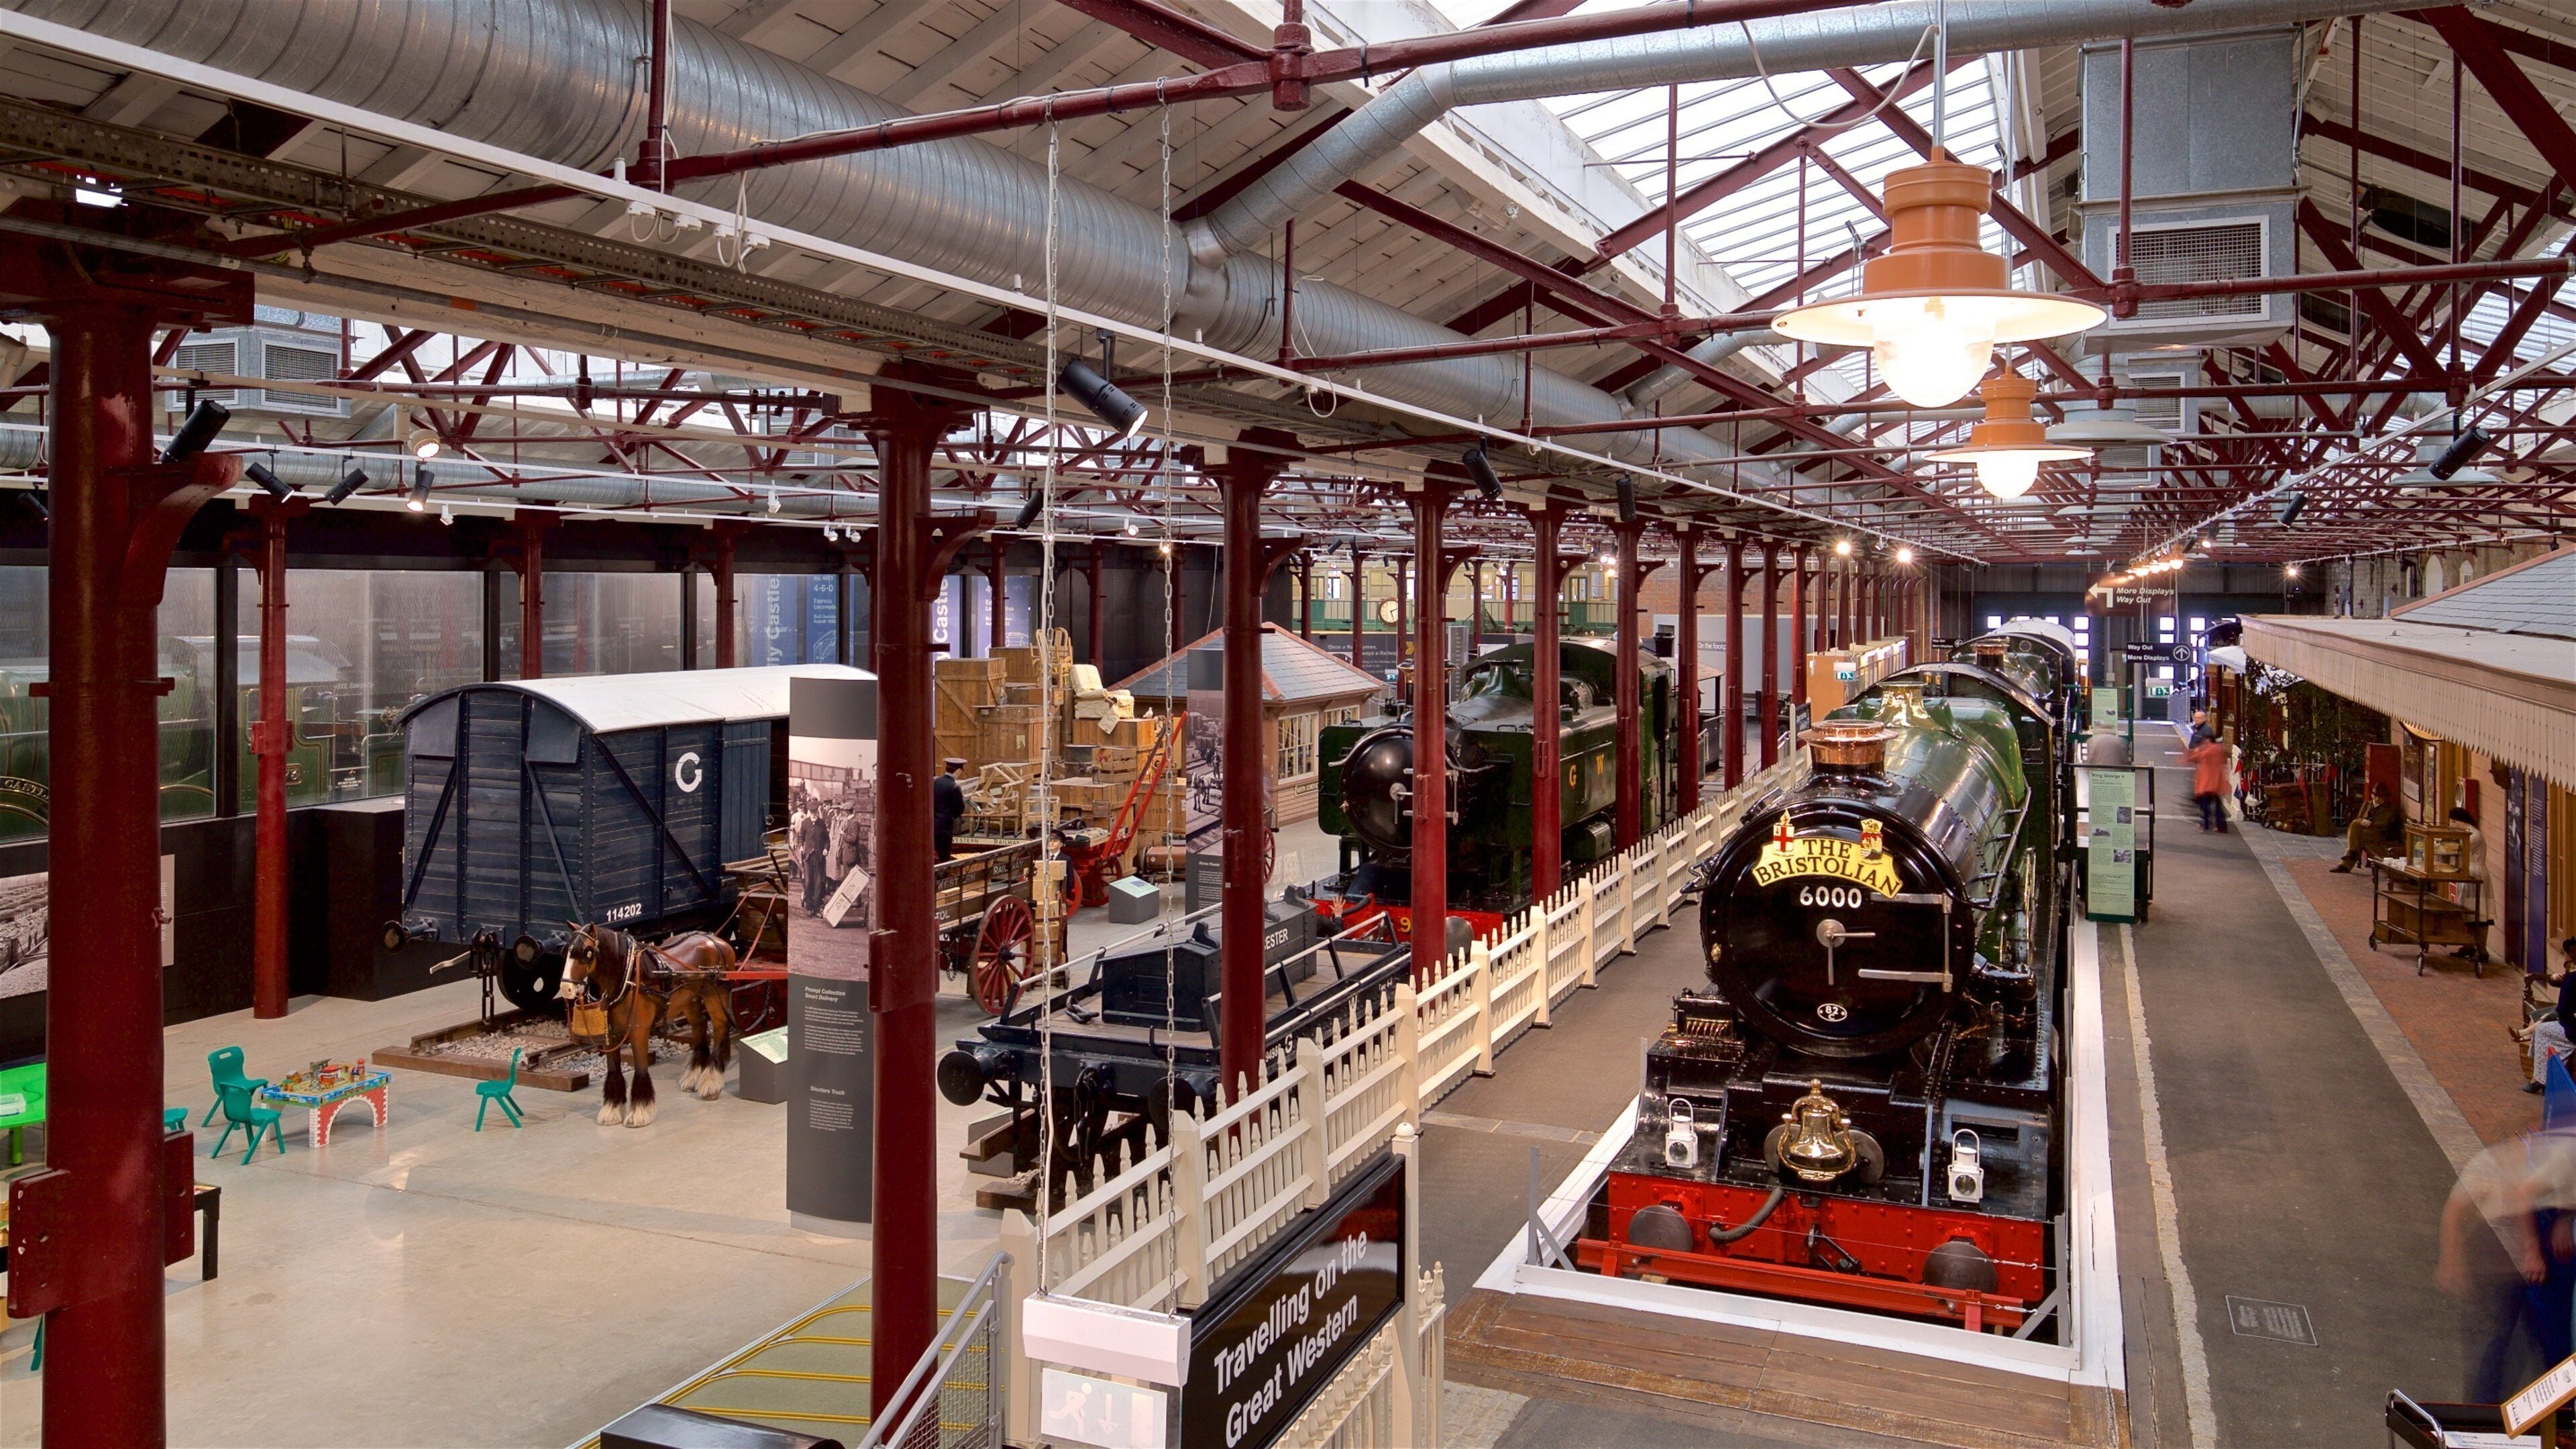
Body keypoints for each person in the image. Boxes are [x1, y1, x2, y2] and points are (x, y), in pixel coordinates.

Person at [2525, 939, 2576, 1095]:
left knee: (2542, 1031)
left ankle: (2541, 1080)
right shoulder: (2570, 978)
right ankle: (2541, 1079)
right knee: (2544, 1028)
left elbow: (2563, 1010)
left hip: (2573, 1030)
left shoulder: (2572, 979)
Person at [2332, 780, 2405, 873]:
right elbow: (2359, 818)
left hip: (2379, 834)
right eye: (2376, 796)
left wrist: (2368, 824)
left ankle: (2349, 857)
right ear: (2372, 795)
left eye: (2381, 797)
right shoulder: (2367, 804)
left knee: (2355, 832)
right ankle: (2350, 856)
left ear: (2385, 797)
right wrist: (2363, 821)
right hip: (2365, 832)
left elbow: (2384, 824)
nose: (2378, 799)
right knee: (2355, 825)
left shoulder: (2390, 808)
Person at [2187, 729, 2230, 833]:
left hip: (2207, 782)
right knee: (2217, 805)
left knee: (2205, 805)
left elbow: (2196, 757)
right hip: (2217, 781)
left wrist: (2195, 752)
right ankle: (2221, 826)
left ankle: (2205, 824)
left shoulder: (2209, 749)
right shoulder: (2219, 749)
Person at [932, 757, 968, 859]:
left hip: (933, 825)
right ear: (958, 771)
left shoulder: (935, 782)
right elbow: (960, 809)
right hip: (946, 827)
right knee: (944, 857)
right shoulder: (955, 787)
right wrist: (952, 817)